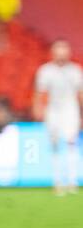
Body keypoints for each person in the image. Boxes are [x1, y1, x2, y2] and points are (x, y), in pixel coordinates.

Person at [34, 40, 82, 196]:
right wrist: (39, 108)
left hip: (71, 110)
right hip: (53, 110)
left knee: (71, 143)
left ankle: (72, 182)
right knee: (54, 145)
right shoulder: (45, 71)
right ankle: (57, 182)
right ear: (53, 52)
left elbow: (80, 94)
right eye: (58, 49)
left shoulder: (76, 71)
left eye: (64, 49)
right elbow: (40, 93)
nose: (61, 53)